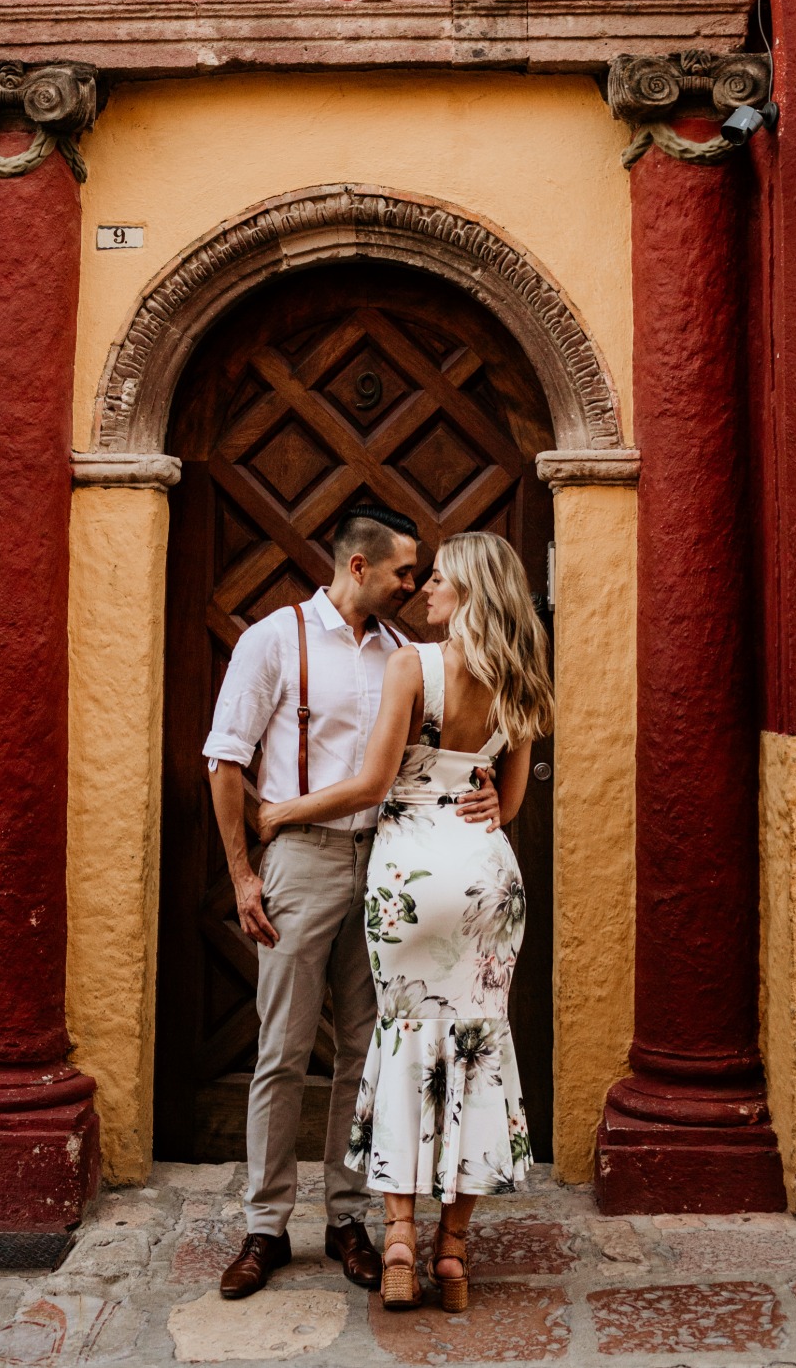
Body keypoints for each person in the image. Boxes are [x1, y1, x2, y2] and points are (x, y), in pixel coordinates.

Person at [204, 504, 503, 1301]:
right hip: (302, 860)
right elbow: (225, 760)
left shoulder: (409, 652)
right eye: (406, 570)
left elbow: (454, 758)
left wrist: (492, 802)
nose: (416, 582)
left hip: (390, 868)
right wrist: (243, 874)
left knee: (366, 1052)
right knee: (282, 1046)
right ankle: (265, 1225)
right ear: (360, 566)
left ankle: (346, 1217)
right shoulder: (275, 639)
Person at [258, 530, 554, 1313]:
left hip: (412, 877)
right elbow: (511, 803)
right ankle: (452, 1253)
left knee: (400, 1044)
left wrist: (281, 811)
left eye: (441, 582)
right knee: (480, 1049)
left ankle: (396, 1242)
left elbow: (371, 782)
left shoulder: (410, 666)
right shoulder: (521, 679)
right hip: (486, 872)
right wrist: (482, 795)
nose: (426, 593)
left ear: (469, 592)